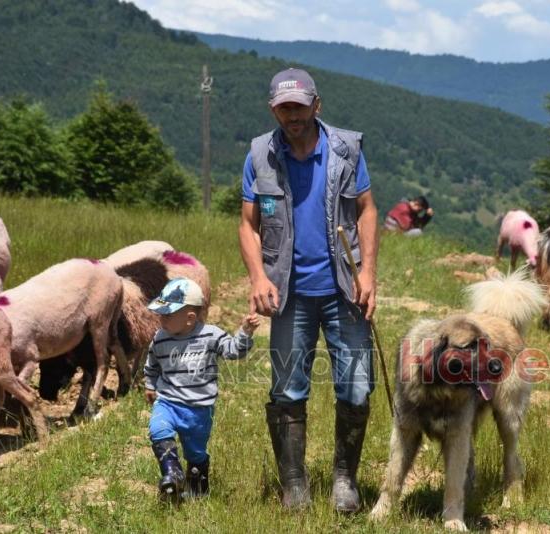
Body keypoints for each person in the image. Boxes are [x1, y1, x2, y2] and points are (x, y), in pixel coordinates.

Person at [238, 67, 379, 512]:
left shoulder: (347, 150)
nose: (292, 115)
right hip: (289, 293)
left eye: (300, 105)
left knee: (355, 387)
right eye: (284, 107)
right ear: (273, 109)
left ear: (317, 105)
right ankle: (294, 485)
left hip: (345, 288)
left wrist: (369, 273)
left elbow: (367, 211)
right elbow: (247, 224)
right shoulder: (261, 155)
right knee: (287, 390)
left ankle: (345, 481)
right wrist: (258, 277)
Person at [144, 277, 260, 501]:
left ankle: (198, 488)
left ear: (190, 318)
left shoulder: (210, 335)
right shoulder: (160, 338)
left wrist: (245, 332)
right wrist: (150, 385)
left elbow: (233, 351)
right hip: (168, 401)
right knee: (158, 430)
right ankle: (171, 472)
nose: (161, 319)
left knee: (195, 452)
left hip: (199, 409)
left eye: (167, 314)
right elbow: (152, 364)